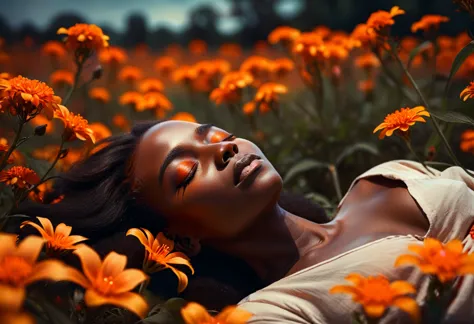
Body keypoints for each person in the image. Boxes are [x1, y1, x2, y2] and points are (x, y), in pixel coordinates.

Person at [18, 120, 474, 323]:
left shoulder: (382, 177)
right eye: (187, 172)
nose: (222, 149)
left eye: (215, 135)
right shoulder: (272, 310)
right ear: (182, 235)